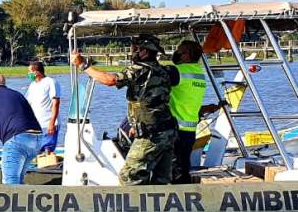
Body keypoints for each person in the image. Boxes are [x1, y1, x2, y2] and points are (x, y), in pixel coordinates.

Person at [71, 35, 180, 185]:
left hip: (151, 136)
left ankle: (134, 207)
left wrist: (83, 66)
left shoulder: (139, 70)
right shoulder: (164, 71)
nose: (133, 52)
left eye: (136, 49)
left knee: (128, 177)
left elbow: (110, 80)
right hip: (168, 131)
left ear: (145, 52)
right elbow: (151, 100)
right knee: (161, 180)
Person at [169, 40, 228, 183]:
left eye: (179, 51)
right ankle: (184, 191)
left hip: (175, 128)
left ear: (187, 55)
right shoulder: (198, 73)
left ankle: (177, 196)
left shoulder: (177, 71)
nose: (176, 54)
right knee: (182, 165)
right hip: (189, 130)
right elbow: (188, 100)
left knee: (173, 168)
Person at [24, 60, 60, 155]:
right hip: (36, 125)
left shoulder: (51, 82)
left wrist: (52, 123)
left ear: (36, 72)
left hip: (48, 124)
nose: (28, 74)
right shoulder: (32, 85)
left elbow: (55, 103)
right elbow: (28, 104)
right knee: (36, 151)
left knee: (48, 150)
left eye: (30, 71)